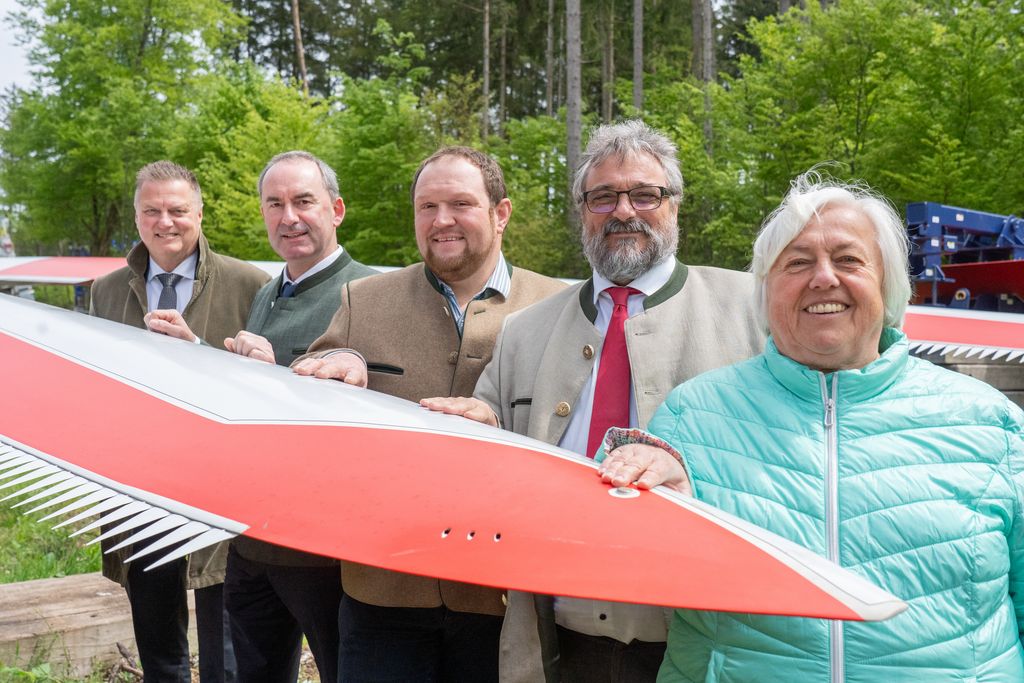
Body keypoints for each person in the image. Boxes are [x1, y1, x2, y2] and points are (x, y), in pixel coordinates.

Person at [601, 172, 1024, 681]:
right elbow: (649, 582)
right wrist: (641, 501)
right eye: (797, 263)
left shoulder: (993, 423)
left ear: (887, 283)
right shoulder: (691, 416)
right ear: (765, 291)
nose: (823, 278)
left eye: (848, 259)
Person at [421, 120, 764, 683]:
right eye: (602, 196)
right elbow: (491, 432)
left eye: (644, 194)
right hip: (562, 633)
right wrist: (481, 423)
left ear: (674, 205)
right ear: (582, 210)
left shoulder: (751, 309)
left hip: (704, 635)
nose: (623, 210)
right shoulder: (524, 332)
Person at [291, 145, 566, 682]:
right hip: (382, 591)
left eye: (460, 204)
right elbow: (308, 380)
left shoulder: (559, 306)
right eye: (427, 207)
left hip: (505, 600)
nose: (441, 221)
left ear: (501, 213)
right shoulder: (363, 300)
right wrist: (332, 360)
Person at [159, 151, 377, 683]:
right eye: (274, 204)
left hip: (323, 552)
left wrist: (279, 375)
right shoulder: (266, 292)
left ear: (337, 209)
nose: (289, 217)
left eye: (304, 201)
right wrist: (202, 351)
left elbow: (377, 411)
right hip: (252, 539)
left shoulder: (371, 294)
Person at [90, 160, 269, 683]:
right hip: (138, 485)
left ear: (199, 212)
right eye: (152, 210)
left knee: (228, 632)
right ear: (137, 215)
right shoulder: (106, 290)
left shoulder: (249, 284)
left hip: (221, 485)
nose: (165, 222)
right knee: (155, 628)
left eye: (177, 210)